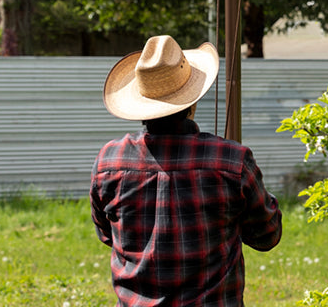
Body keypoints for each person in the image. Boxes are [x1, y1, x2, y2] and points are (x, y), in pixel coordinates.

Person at [91, 34, 282, 306]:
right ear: (192, 102)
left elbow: (107, 235)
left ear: (141, 104)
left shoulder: (109, 160)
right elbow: (267, 236)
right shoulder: (231, 160)